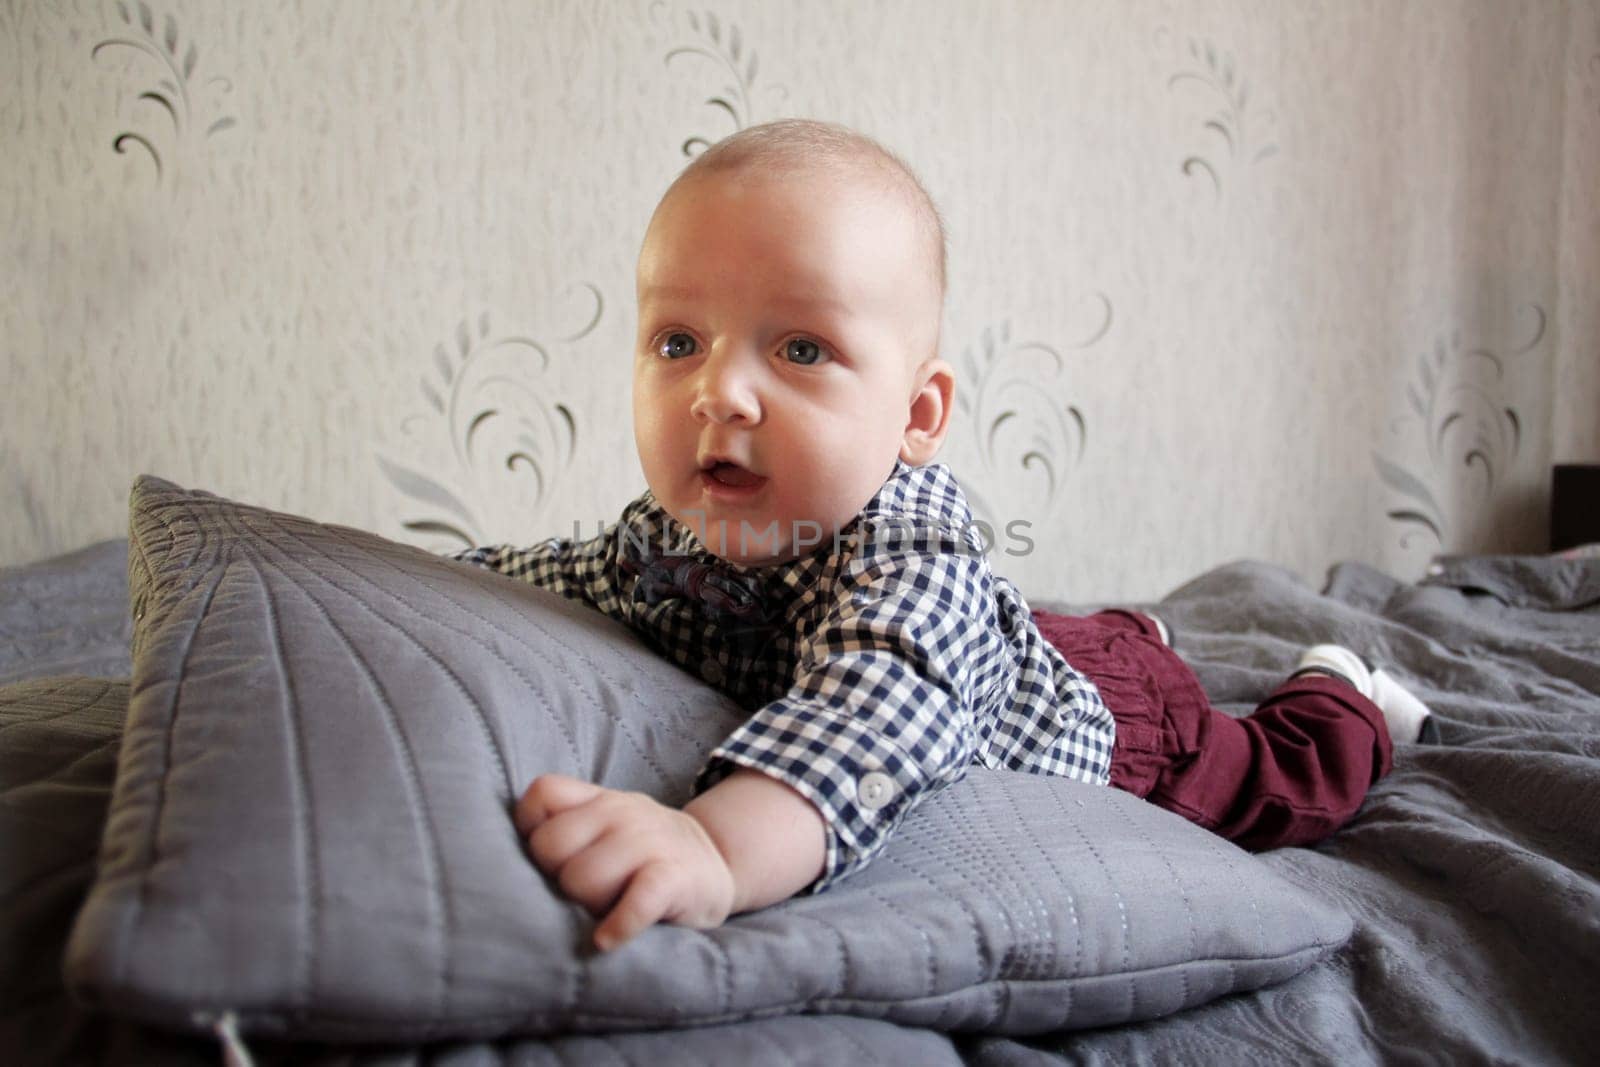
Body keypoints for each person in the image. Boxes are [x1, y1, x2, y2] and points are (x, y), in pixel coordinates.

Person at [456, 118, 1435, 952]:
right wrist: (458, 572)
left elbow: (869, 710)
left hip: (1114, 731)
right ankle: (1132, 635)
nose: (719, 390)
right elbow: (578, 570)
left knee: (1279, 781)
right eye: (679, 342)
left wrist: (714, 846)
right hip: (1029, 643)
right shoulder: (672, 534)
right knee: (1044, 633)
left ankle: (1341, 689)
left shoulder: (909, 566)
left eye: (800, 348)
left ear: (917, 414)